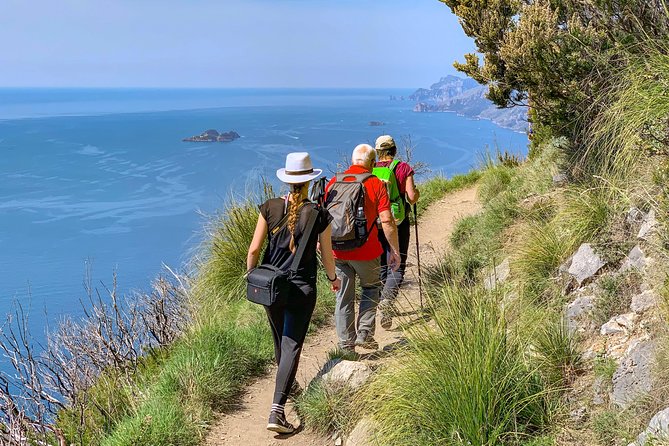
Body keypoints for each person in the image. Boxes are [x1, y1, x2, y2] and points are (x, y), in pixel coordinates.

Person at [247, 152, 341, 434]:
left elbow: (253, 250)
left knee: (280, 340)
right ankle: (277, 409)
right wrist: (333, 278)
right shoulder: (318, 214)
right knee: (291, 345)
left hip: (271, 287)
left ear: (287, 181)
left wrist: (249, 276)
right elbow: (327, 255)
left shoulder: (270, 207)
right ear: (311, 181)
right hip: (301, 288)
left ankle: (287, 384)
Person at [325, 144, 401, 352]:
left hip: (337, 251)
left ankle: (346, 346)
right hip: (366, 251)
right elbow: (386, 220)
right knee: (371, 288)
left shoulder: (333, 182)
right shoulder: (375, 183)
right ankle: (365, 333)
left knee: (343, 296)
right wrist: (394, 251)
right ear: (373, 164)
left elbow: (323, 220)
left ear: (352, 161)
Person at [374, 135, 420, 329]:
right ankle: (387, 301)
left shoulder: (373, 170)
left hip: (376, 221)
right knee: (398, 262)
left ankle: (384, 296)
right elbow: (411, 197)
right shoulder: (403, 168)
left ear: (378, 152)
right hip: (398, 221)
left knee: (383, 262)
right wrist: (416, 193)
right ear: (394, 150)